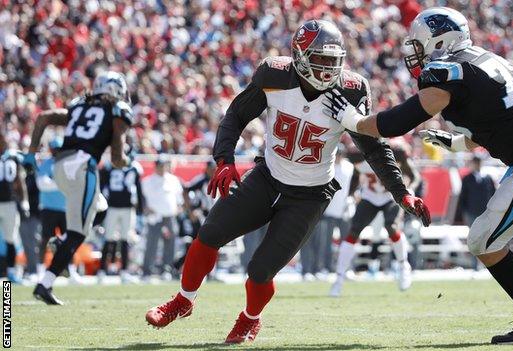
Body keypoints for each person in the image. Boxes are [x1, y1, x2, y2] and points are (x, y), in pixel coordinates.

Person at [322, 7, 513, 344]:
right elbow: (499, 119)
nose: (415, 52)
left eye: (419, 43)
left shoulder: (446, 71)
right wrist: (456, 142)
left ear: (440, 40)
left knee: (482, 238)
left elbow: (395, 123)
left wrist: (352, 120)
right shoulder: (480, 60)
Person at [145, 19, 430, 344]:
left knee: (260, 270)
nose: (327, 70)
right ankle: (183, 301)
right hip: (268, 177)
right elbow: (236, 115)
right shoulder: (275, 76)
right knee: (209, 234)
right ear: (300, 55)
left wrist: (401, 192)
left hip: (309, 196)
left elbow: (374, 146)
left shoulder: (350, 90)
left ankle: (250, 319)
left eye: (333, 62)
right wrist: (224, 160)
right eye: (320, 60)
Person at [26, 71, 134, 305]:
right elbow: (117, 158)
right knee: (79, 233)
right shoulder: (117, 112)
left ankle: (60, 242)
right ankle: (45, 283)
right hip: (83, 166)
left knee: (101, 208)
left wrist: (31, 153)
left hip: (61, 167)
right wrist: (127, 160)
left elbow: (43, 117)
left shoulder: (78, 106)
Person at [330, 146, 417, 296]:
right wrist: (352, 194)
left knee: (391, 227)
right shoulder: (359, 156)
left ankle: (403, 265)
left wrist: (406, 188)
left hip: (390, 196)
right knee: (353, 231)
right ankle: (339, 278)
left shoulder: (395, 154)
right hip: (370, 196)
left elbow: (413, 176)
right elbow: (355, 175)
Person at [300, 146, 353, 279]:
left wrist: (352, 197)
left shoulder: (349, 167)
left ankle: (345, 268)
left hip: (343, 209)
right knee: (323, 242)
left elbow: (354, 183)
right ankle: (321, 268)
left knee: (346, 240)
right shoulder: (328, 167)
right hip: (325, 210)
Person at [35, 137, 82, 283]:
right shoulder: (47, 163)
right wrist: (61, 184)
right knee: (45, 239)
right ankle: (40, 270)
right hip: (49, 208)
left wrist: (58, 184)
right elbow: (42, 184)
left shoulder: (69, 165)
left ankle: (72, 271)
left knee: (70, 240)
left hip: (66, 208)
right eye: (55, 149)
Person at [98, 147, 144, 283]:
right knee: (110, 239)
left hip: (124, 208)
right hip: (114, 207)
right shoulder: (110, 168)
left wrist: (140, 210)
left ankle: (122, 271)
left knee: (123, 240)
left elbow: (138, 189)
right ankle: (102, 270)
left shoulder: (130, 169)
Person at [141, 156, 183, 280]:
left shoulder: (173, 180)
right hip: (155, 216)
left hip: (169, 216)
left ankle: (167, 269)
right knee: (152, 243)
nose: (162, 168)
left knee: (170, 244)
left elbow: (179, 198)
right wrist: (145, 208)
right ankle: (147, 270)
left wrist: (178, 208)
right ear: (156, 166)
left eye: (164, 165)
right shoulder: (148, 181)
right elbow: (142, 198)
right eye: (160, 165)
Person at [457, 155, 496, 269]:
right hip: (471, 213)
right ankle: (475, 265)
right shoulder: (467, 178)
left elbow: (493, 196)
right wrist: (464, 213)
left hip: (485, 214)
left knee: (485, 239)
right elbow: (463, 198)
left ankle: (487, 263)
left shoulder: (488, 178)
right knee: (474, 239)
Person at [0, 130, 28, 283]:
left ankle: (10, 273)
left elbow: (19, 181)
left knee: (10, 239)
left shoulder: (13, 157)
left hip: (10, 203)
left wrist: (24, 202)